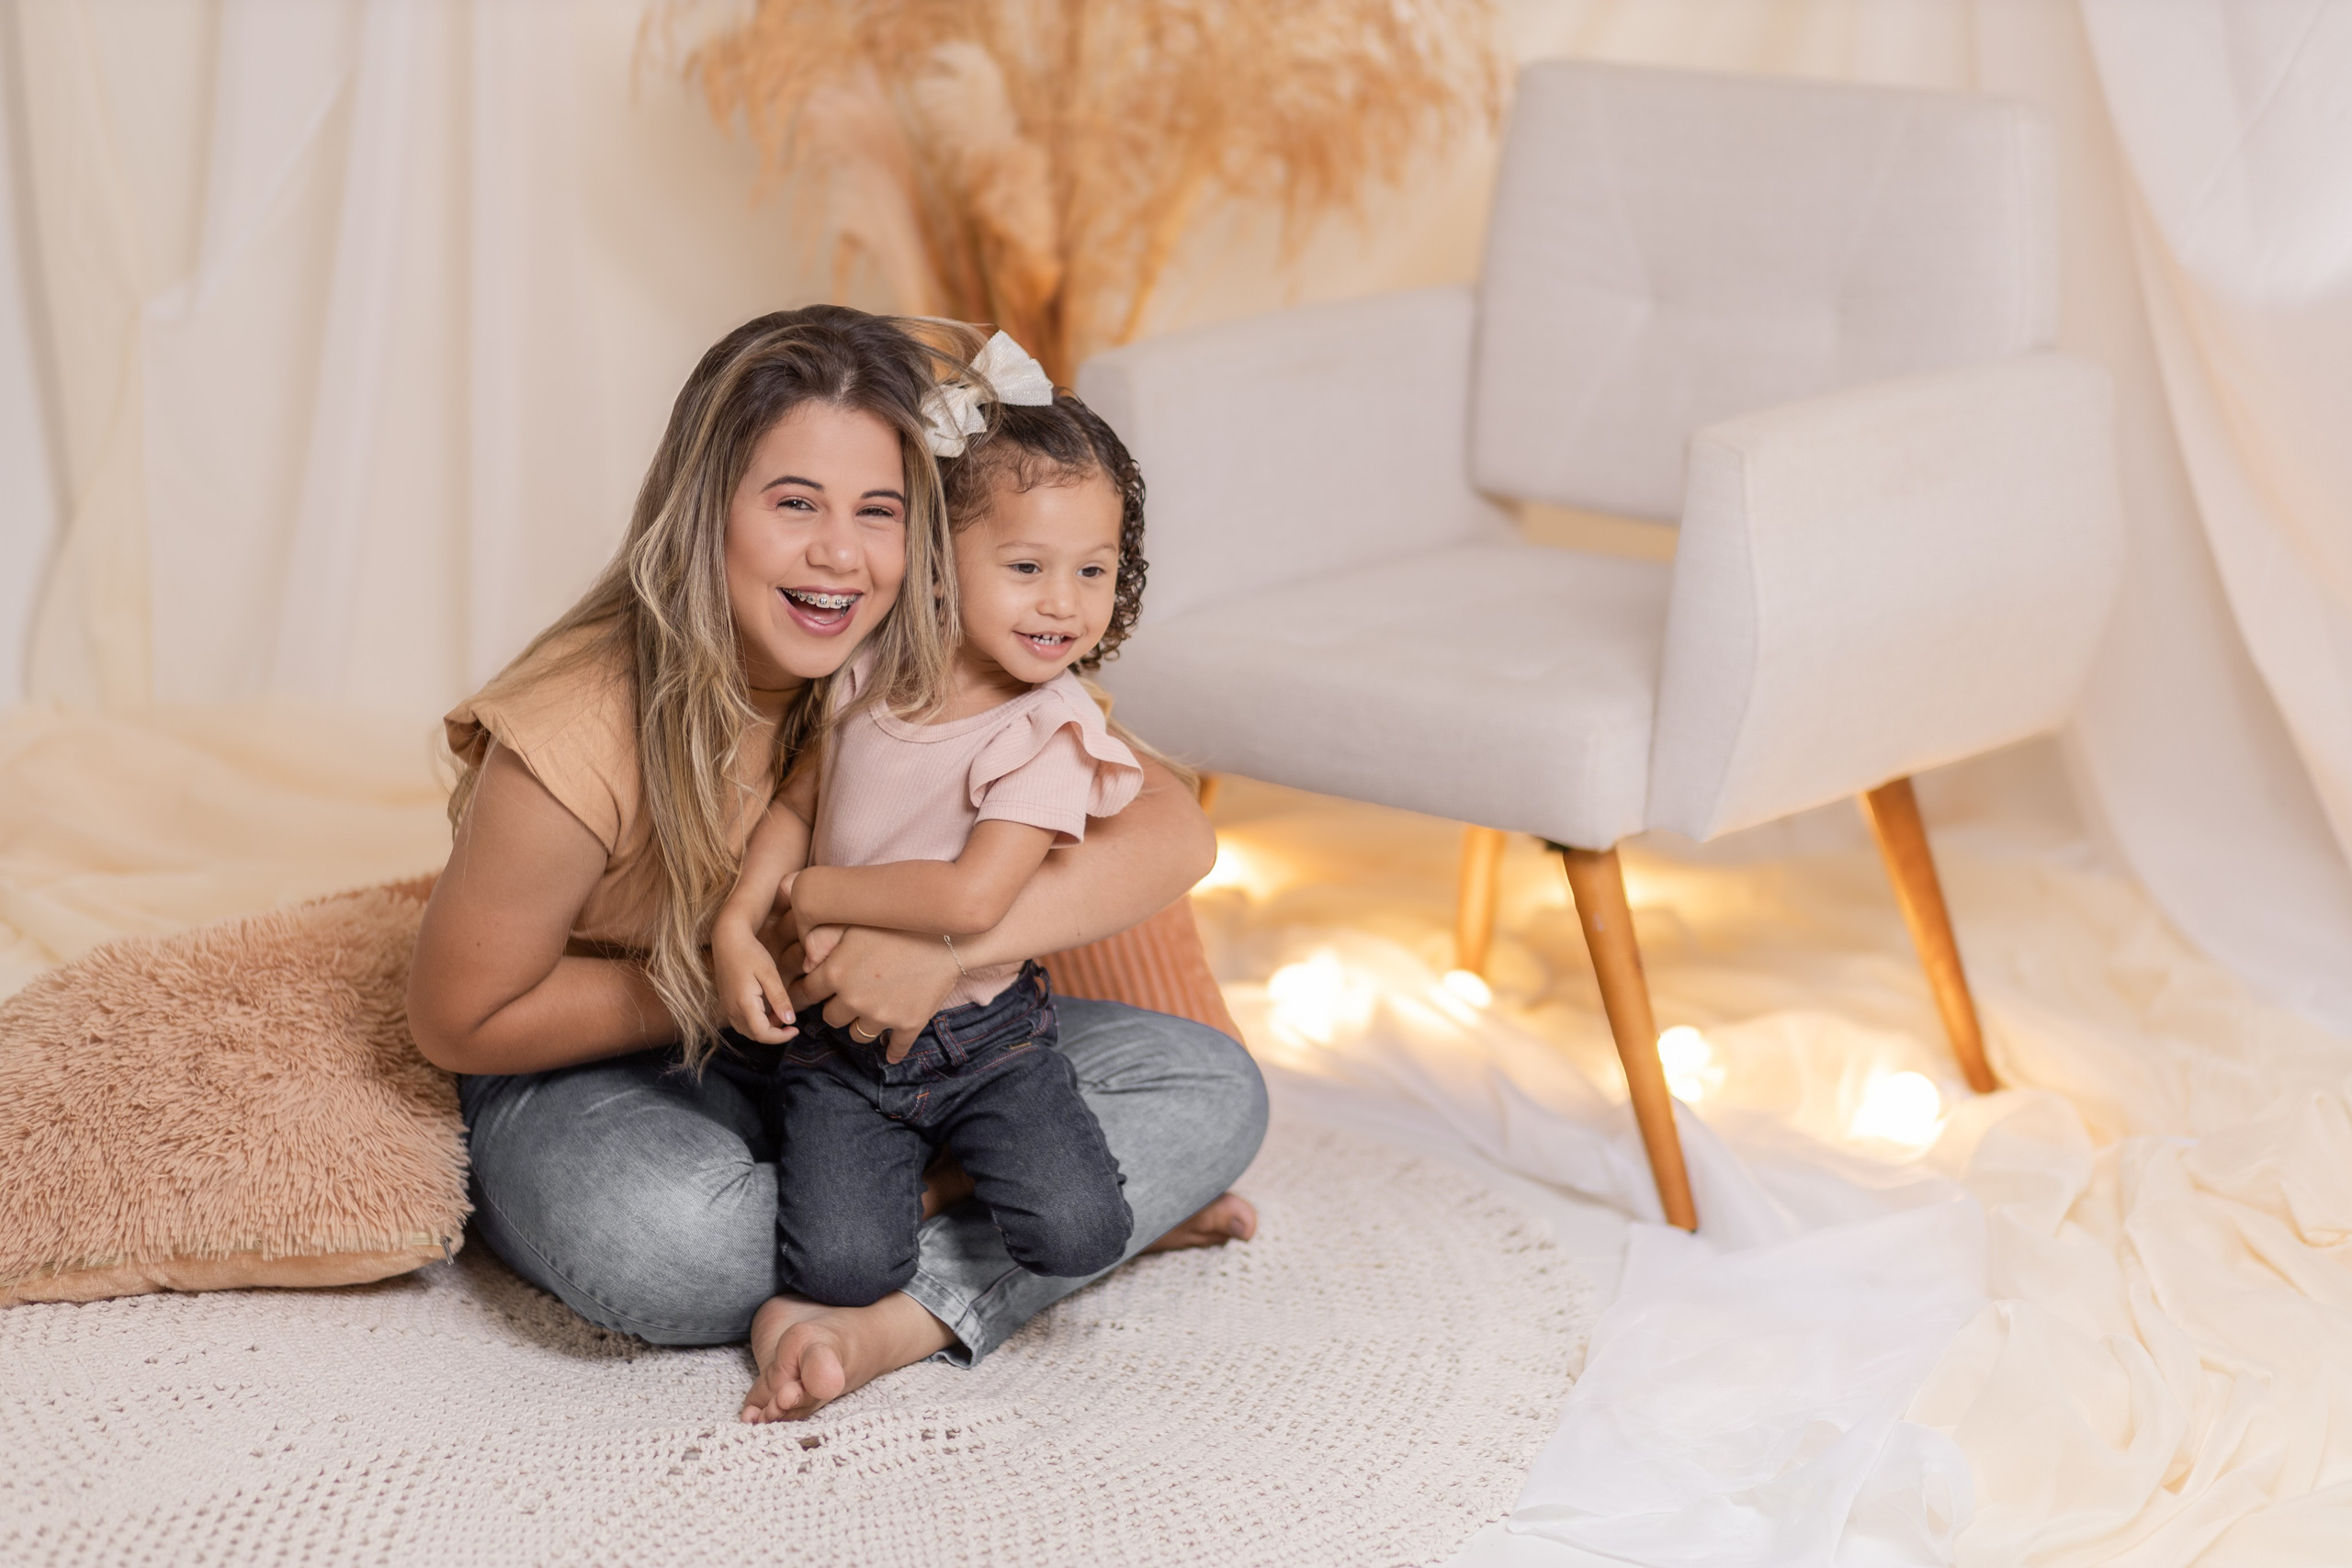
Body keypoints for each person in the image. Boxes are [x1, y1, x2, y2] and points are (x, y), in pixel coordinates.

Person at [405, 306, 1266, 1426]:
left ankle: (893, 1305)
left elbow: (1176, 832)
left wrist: (947, 949)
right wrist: (729, 969)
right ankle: (1028, 1222)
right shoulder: (574, 731)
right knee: (662, 1241)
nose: (839, 554)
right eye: (794, 504)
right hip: (616, 1065)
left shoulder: (924, 655)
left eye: (881, 512)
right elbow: (460, 1020)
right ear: (703, 508)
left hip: (868, 1045)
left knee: (1213, 1088)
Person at [713, 340, 1154, 1361]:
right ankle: (910, 1177)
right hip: (836, 1045)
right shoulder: (866, 672)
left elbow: (969, 898)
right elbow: (795, 801)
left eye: (1094, 571)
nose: (1064, 603)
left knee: (1081, 1234)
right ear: (942, 560)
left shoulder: (1052, 730)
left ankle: (973, 1161)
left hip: (986, 1045)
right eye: (1028, 568)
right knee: (838, 1272)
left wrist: (813, 897)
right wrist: (741, 919)